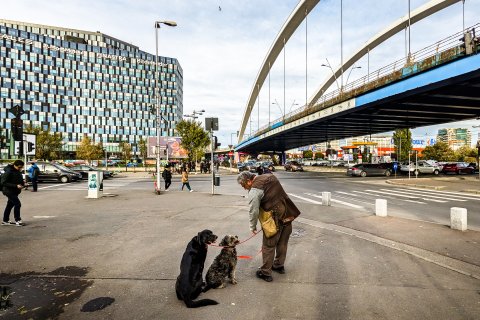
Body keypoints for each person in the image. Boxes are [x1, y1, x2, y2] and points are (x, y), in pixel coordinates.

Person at [237, 171, 301, 282]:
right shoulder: (271, 177)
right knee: (283, 242)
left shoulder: (255, 190)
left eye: (244, 185)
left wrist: (252, 226)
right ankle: (279, 266)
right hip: (287, 213)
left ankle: (265, 272)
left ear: (249, 181)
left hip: (273, 218)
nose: (244, 188)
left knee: (268, 245)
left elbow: (253, 210)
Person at [1, 160, 26, 226]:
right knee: (18, 204)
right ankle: (18, 220)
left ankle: (5, 220)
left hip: (14, 191)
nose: (20, 168)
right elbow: (3, 182)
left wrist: (23, 183)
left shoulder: (17, 171)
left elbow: (18, 180)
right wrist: (16, 185)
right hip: (8, 191)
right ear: (14, 165)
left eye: (21, 167)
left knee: (9, 205)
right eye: (19, 167)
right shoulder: (8, 172)